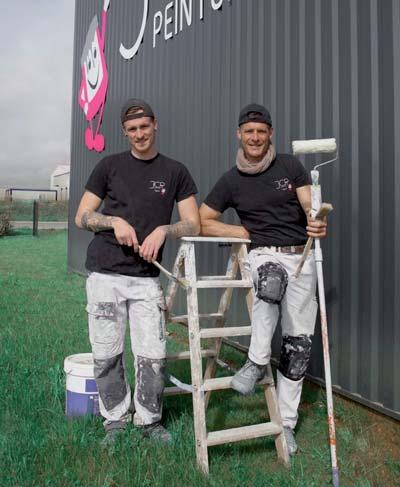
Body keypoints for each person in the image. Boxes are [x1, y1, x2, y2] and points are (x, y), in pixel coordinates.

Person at [199, 103, 327, 455]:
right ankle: (256, 362)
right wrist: (238, 231)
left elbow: (310, 208)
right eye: (249, 131)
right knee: (270, 284)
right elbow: (202, 219)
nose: (255, 137)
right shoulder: (231, 180)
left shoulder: (289, 166)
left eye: (261, 131)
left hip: (300, 256)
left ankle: (285, 424)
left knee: (298, 347)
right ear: (238, 135)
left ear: (270, 134)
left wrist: (317, 221)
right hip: (263, 254)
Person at [75, 98, 200, 444]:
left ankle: (149, 421)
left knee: (152, 354)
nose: (139, 134)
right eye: (132, 129)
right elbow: (82, 216)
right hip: (105, 274)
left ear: (155, 124)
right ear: (124, 131)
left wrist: (164, 230)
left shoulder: (175, 171)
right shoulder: (108, 166)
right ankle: (115, 421)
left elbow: (194, 223)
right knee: (106, 352)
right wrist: (112, 221)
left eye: (144, 126)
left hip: (146, 277)